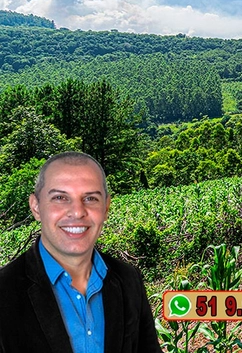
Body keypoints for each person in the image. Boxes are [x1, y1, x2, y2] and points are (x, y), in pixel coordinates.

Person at [0, 151, 162, 353]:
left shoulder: (129, 279)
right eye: (60, 197)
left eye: (91, 198)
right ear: (36, 207)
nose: (77, 212)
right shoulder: (4, 291)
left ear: (106, 207)